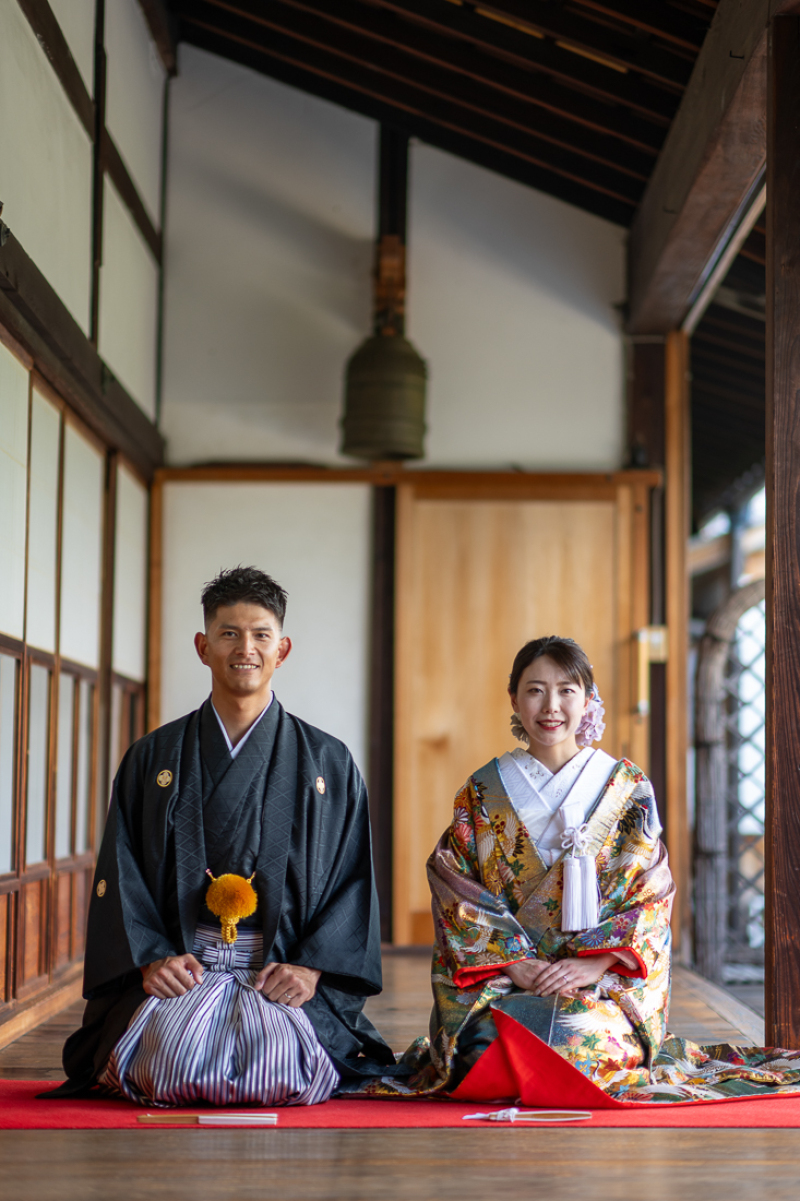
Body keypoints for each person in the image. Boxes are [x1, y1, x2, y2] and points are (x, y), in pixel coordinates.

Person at [342, 635, 800, 1106]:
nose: (551, 705)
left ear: (588, 699)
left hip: (601, 986)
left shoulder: (627, 788)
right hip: (503, 981)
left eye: (567, 690)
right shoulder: (482, 791)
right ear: (514, 699)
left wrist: (594, 963)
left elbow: (651, 893)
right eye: (535, 690)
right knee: (485, 1050)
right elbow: (454, 884)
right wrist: (516, 964)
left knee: (576, 1041)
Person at [55, 566, 394, 1107]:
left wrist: (310, 968)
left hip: (279, 968)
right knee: (171, 1066)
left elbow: (352, 878)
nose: (246, 648)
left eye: (261, 635)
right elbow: (121, 870)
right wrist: (151, 958)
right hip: (182, 968)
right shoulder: (154, 757)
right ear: (202, 645)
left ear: (282, 649)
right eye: (229, 633)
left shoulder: (327, 760)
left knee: (278, 1072)